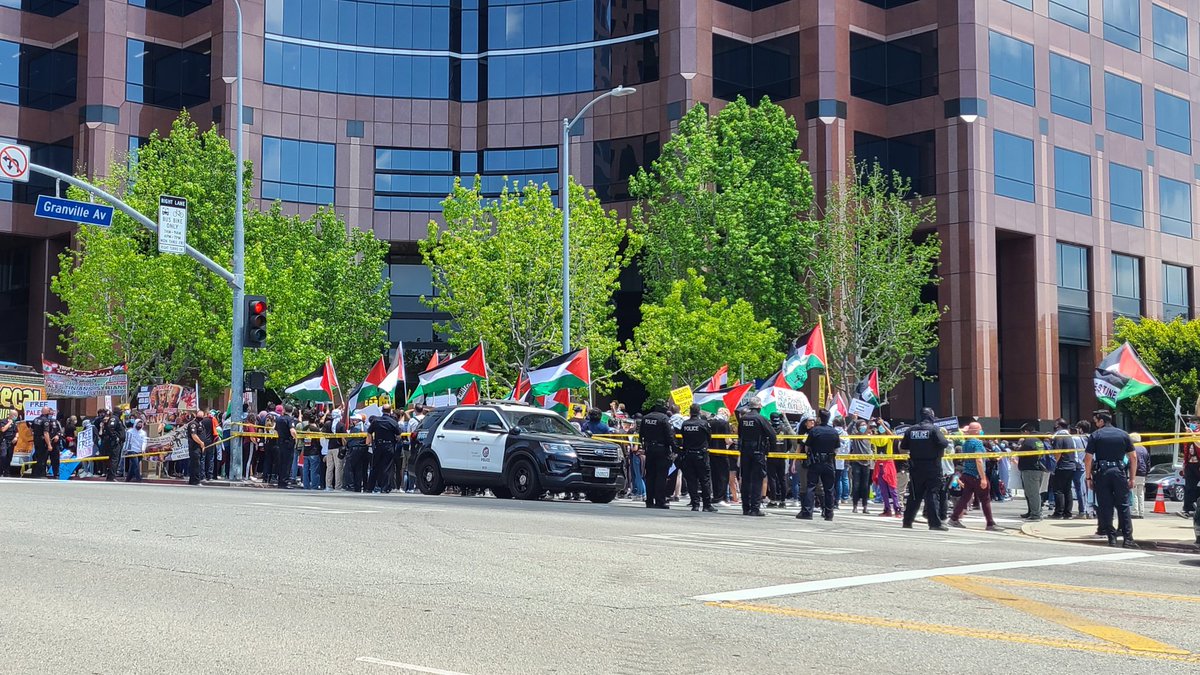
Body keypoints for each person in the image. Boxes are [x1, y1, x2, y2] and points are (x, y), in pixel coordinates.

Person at [1085, 409, 1137, 548]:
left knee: (1105, 506)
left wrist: (1088, 477)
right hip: (1119, 472)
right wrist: (1132, 478)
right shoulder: (1123, 434)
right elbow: (1133, 457)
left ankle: (1111, 537)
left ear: (1101, 421)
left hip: (1102, 473)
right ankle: (1128, 538)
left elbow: (1088, 458)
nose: (1095, 424)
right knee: (1123, 506)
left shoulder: (1096, 435)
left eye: (1096, 421)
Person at [900, 407, 951, 531]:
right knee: (932, 494)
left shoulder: (911, 430)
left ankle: (907, 521)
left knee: (914, 495)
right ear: (931, 416)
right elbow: (944, 443)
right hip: (932, 466)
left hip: (916, 466)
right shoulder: (934, 429)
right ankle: (935, 523)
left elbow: (903, 446)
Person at [949, 422, 1002, 531]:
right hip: (976, 474)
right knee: (985, 499)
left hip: (967, 474)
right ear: (977, 431)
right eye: (980, 429)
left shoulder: (966, 443)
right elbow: (979, 460)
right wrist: (983, 478)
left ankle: (954, 518)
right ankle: (990, 523)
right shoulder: (977, 443)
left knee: (965, 497)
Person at [798, 408, 839, 521]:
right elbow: (836, 449)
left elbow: (807, 447)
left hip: (815, 462)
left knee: (811, 486)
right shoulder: (834, 432)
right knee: (829, 489)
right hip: (829, 462)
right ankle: (829, 513)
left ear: (819, 419)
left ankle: (807, 512)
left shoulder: (814, 431)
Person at [737, 398, 774, 516]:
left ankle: (745, 508)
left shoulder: (743, 419)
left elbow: (739, 434)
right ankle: (755, 508)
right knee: (757, 480)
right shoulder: (761, 419)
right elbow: (772, 435)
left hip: (745, 452)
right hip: (758, 452)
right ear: (759, 407)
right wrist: (769, 448)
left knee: (746, 479)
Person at [679, 404, 718, 513]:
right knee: (705, 480)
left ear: (690, 412)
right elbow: (709, 437)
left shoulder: (685, 424)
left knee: (691, 480)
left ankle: (695, 504)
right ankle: (707, 505)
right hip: (701, 455)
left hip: (688, 455)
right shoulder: (703, 423)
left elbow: (683, 437)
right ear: (699, 411)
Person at [639, 400, 676, 509]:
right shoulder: (664, 419)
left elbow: (641, 434)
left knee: (650, 475)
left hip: (649, 449)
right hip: (662, 450)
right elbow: (670, 436)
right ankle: (660, 501)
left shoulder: (645, 418)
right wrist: (675, 449)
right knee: (661, 476)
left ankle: (649, 500)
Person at [1013, 423, 1049, 521]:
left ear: (1026, 431)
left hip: (1030, 470)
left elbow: (1019, 452)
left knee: (1032, 493)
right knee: (1035, 492)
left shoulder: (1029, 440)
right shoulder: (1039, 440)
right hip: (1038, 468)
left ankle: (1036, 514)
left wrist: (1017, 447)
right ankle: (1035, 512)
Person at [366, 405, 402, 494]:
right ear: (390, 411)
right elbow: (398, 435)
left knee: (374, 467)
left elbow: (369, 432)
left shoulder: (376, 421)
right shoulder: (393, 422)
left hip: (378, 445)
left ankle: (370, 487)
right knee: (387, 467)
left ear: (382, 410)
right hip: (389, 446)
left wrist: (370, 442)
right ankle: (384, 488)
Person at [1050, 419, 1076, 519]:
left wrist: (1053, 466)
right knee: (1067, 490)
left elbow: (1057, 453)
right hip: (1071, 466)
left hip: (1061, 466)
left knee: (1058, 490)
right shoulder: (1069, 436)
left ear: (1059, 426)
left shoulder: (1059, 436)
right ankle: (1067, 512)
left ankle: (1058, 512)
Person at [766, 413, 791, 508]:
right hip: (782, 456)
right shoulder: (784, 429)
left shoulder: (769, 429)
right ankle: (783, 501)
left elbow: (765, 443)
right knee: (782, 478)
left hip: (771, 456)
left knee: (772, 478)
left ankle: (773, 500)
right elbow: (789, 444)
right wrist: (783, 450)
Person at [849, 418, 874, 513]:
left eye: (865, 425)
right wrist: (854, 420)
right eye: (862, 425)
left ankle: (865, 506)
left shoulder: (869, 436)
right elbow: (849, 430)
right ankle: (855, 506)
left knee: (865, 486)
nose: (864, 427)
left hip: (867, 463)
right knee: (856, 485)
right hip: (857, 463)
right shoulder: (856, 436)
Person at [708, 408, 732, 506]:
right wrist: (732, 442)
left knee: (714, 475)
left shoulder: (710, 422)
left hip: (711, 452)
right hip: (722, 452)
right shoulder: (724, 423)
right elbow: (727, 440)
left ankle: (715, 496)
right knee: (723, 476)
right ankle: (720, 498)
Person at [343, 414, 369, 492]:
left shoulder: (355, 429)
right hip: (363, 449)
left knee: (349, 468)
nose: (352, 421)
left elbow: (349, 439)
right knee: (359, 469)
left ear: (357, 420)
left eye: (353, 420)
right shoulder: (365, 428)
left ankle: (351, 486)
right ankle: (358, 486)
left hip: (354, 449)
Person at [274, 405, 297, 489]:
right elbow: (292, 431)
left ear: (284, 410)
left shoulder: (279, 419)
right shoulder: (290, 419)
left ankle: (280, 481)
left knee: (281, 462)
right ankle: (285, 482)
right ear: (292, 411)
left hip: (280, 442)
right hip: (288, 443)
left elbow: (275, 430)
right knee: (287, 464)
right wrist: (296, 438)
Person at [186, 411, 208, 486]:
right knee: (196, 464)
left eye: (202, 416)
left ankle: (192, 480)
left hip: (199, 448)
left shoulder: (201, 424)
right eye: (199, 416)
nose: (201, 418)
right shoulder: (193, 424)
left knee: (197, 464)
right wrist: (201, 443)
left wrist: (203, 445)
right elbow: (194, 435)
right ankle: (196, 481)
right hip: (194, 448)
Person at [1183, 422, 1200, 518]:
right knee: (1189, 487)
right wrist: (1184, 464)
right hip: (1190, 464)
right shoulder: (1189, 434)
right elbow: (1186, 449)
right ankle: (1187, 509)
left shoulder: (1197, 433)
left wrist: (1193, 434)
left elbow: (1198, 444)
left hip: (1198, 464)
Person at [1130, 433, 1150, 519]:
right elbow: (1148, 462)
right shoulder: (1144, 449)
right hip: (1143, 473)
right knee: (1141, 493)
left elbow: (1130, 461)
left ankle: (1135, 512)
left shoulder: (1132, 448)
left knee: (1134, 493)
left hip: (1134, 472)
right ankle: (1141, 512)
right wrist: (1146, 472)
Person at [0, 410, 17, 476]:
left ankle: (6, 472)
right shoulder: (3, 421)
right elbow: (3, 429)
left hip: (11, 441)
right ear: (11, 415)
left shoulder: (14, 423)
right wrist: (9, 422)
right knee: (3, 455)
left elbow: (17, 431)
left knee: (9, 456)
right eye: (15, 415)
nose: (16, 417)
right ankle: (1, 470)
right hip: (4, 440)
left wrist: (16, 437)